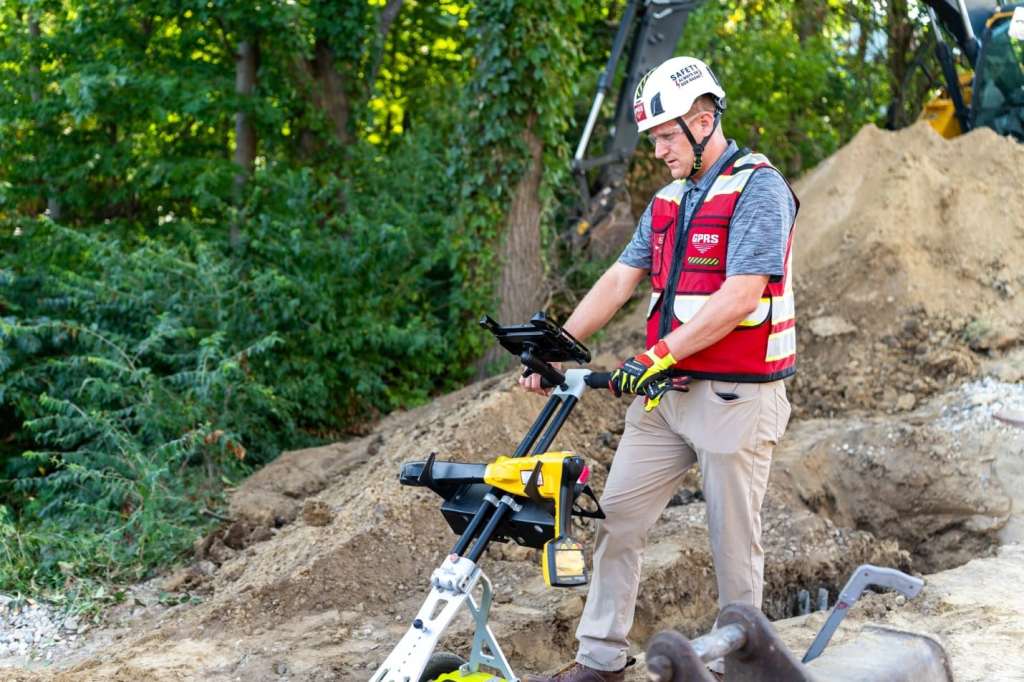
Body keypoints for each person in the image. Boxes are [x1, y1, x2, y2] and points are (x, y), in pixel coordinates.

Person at [520, 55, 798, 682]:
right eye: (653, 139)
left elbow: (741, 295)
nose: (659, 151)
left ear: (705, 120)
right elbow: (621, 278)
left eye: (667, 135)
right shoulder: (668, 201)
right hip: (664, 397)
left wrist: (658, 354)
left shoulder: (759, 188)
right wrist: (558, 343)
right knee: (617, 518)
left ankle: (744, 670)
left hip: (736, 395)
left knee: (733, 547)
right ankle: (600, 661)